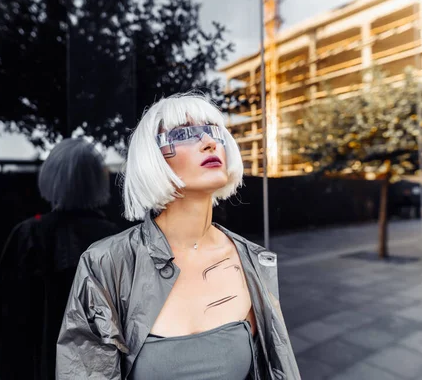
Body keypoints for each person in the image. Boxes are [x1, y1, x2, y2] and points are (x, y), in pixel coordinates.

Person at [56, 93, 300, 380]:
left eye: (213, 131)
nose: (209, 142)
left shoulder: (252, 263)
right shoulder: (107, 264)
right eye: (184, 134)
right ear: (152, 158)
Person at [0, 138, 121, 380]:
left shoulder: (29, 236)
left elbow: (9, 328)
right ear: (97, 181)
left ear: (51, 177)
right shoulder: (114, 238)